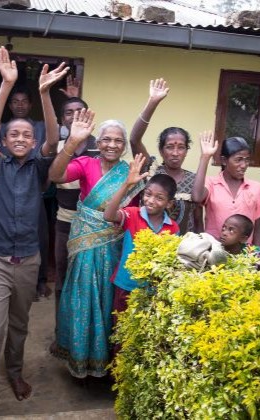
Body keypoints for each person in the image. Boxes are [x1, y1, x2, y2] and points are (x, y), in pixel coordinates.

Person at [0, 46, 67, 419]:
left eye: (26, 134)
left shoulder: (39, 169)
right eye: (14, 134)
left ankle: (16, 373)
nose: (20, 137)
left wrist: (43, 95)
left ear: (32, 142)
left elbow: (54, 142)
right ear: (5, 142)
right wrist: (6, 85)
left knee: (20, 326)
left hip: (28, 261)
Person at [49, 111, 144, 379]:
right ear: (98, 143)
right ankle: (80, 356)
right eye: (106, 140)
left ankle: (108, 361)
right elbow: (55, 175)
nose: (112, 145)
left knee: (108, 300)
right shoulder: (85, 163)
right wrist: (71, 142)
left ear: (124, 146)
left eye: (118, 141)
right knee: (83, 296)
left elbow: (132, 214)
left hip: (116, 247)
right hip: (85, 244)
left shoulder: (131, 172)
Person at [103, 155, 179, 325]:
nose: (150, 201)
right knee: (121, 329)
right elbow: (108, 215)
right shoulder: (132, 214)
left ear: (169, 203)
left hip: (152, 290)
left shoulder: (173, 228)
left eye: (159, 198)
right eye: (148, 194)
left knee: (144, 331)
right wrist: (127, 185)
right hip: (126, 285)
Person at [130, 78, 200, 234]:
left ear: (186, 151)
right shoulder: (151, 170)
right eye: (169, 147)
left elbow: (197, 218)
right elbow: (134, 139)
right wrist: (152, 102)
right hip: (146, 243)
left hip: (182, 249)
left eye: (181, 147)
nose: (175, 153)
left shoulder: (194, 179)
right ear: (161, 151)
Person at [52, 96, 99, 324]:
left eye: (80, 111)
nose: (74, 116)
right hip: (65, 221)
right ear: (63, 119)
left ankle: (84, 331)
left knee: (90, 279)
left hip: (95, 226)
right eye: (69, 112)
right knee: (63, 276)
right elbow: (51, 178)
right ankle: (61, 330)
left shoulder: (102, 147)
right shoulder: (58, 148)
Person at [191, 132, 260, 246]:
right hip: (214, 251)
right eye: (238, 160)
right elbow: (196, 197)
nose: (244, 165)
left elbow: (257, 228)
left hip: (244, 255)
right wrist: (205, 157)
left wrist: (257, 254)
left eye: (247, 160)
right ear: (224, 160)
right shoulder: (211, 183)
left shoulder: (256, 188)